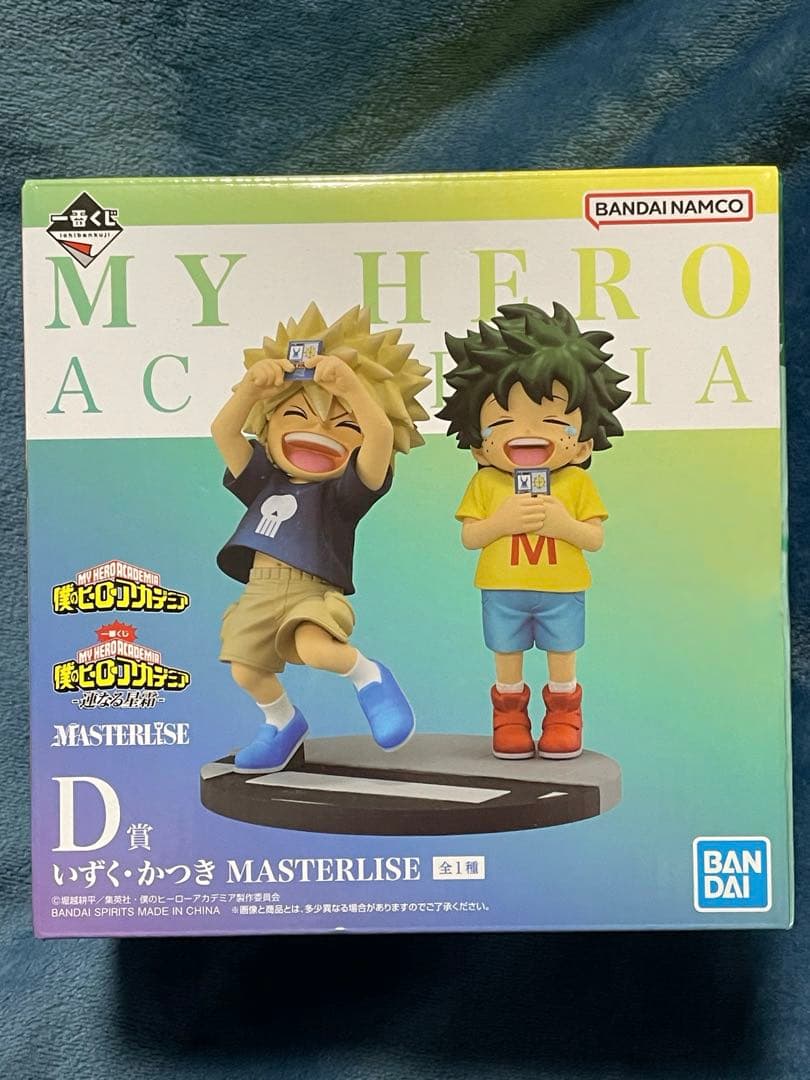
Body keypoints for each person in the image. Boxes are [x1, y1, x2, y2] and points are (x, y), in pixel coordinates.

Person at [212, 302, 430, 772]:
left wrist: (351, 387)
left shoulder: (343, 493)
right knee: (245, 669)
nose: (318, 431)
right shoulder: (262, 478)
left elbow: (379, 438)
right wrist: (251, 389)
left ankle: (370, 678)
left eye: (343, 424)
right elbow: (223, 432)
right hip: (259, 590)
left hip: (311, 591)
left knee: (314, 647)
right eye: (297, 414)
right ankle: (282, 722)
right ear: (269, 424)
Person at [439, 301, 629, 760]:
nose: (526, 433)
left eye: (555, 422)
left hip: (562, 589)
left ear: (583, 444)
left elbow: (595, 539)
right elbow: (470, 537)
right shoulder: (485, 483)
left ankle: (564, 714)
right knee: (506, 655)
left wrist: (563, 525)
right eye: (501, 422)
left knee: (562, 653)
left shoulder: (576, 482)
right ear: (479, 447)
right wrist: (501, 522)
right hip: (502, 589)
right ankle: (509, 716)